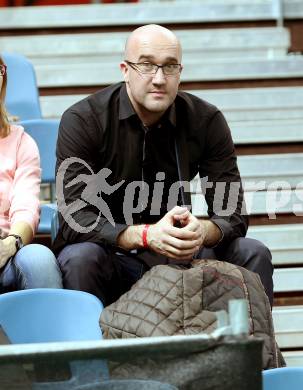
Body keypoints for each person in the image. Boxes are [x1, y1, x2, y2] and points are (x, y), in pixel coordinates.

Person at [54, 24, 273, 307]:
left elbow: (233, 214)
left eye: (169, 67)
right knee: (80, 257)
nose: (159, 79)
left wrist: (201, 232)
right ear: (125, 70)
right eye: (146, 65)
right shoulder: (84, 120)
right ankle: (92, 352)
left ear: (180, 72)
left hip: (181, 256)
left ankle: (252, 351)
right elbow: (74, 217)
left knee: (251, 251)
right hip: (113, 256)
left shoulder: (205, 120)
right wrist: (144, 235)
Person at [0, 56, 62, 292]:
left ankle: (50, 328)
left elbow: (26, 207)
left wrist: (10, 244)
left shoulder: (21, 142)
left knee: (39, 258)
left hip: (5, 247)